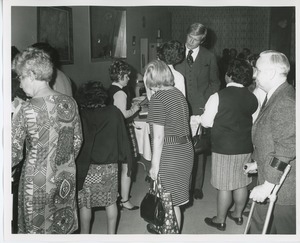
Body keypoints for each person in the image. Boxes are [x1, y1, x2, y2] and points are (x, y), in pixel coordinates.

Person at [11, 47, 83, 234]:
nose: (20, 84)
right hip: (65, 178)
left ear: (32, 75)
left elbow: (12, 154)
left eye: (20, 77)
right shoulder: (70, 103)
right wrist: (62, 163)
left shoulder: (26, 110)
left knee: (37, 230)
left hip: (36, 182)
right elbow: (77, 141)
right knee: (61, 227)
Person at [191, 58, 258, 231]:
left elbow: (206, 122)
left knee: (224, 185)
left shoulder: (218, 96)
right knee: (241, 182)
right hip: (245, 146)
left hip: (223, 147)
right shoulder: (252, 98)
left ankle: (220, 219)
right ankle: (237, 214)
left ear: (229, 76)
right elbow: (255, 121)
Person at [244, 50, 295, 234]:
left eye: (257, 70)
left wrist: (267, 185)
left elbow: (286, 148)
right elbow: (272, 137)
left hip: (284, 187)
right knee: (259, 228)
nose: (254, 75)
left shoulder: (286, 101)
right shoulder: (277, 95)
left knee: (283, 231)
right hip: (272, 178)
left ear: (271, 73)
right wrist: (257, 162)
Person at [75, 81, 132, 234]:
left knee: (85, 205)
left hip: (86, 168)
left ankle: (84, 235)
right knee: (111, 203)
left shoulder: (81, 115)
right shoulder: (113, 112)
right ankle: (111, 235)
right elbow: (122, 139)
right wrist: (126, 160)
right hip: (109, 167)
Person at [145, 60, 194, 233]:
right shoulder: (178, 94)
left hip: (169, 153)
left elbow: (158, 136)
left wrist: (154, 166)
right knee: (173, 202)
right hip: (185, 149)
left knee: (167, 203)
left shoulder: (158, 98)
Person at [175, 23, 220, 200]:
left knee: (198, 148)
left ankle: (197, 186)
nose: (191, 42)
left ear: (203, 40)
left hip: (200, 109)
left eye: (196, 40)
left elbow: (215, 82)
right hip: (178, 106)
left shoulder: (209, 56)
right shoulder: (177, 53)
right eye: (189, 38)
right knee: (179, 146)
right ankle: (181, 183)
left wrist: (205, 102)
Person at [108, 60, 140, 210]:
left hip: (112, 132)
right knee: (128, 165)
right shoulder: (120, 93)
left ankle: (120, 196)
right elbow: (122, 115)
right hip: (123, 132)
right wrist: (135, 108)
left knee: (120, 165)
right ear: (120, 76)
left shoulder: (111, 89)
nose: (129, 78)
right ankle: (125, 200)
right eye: (127, 76)